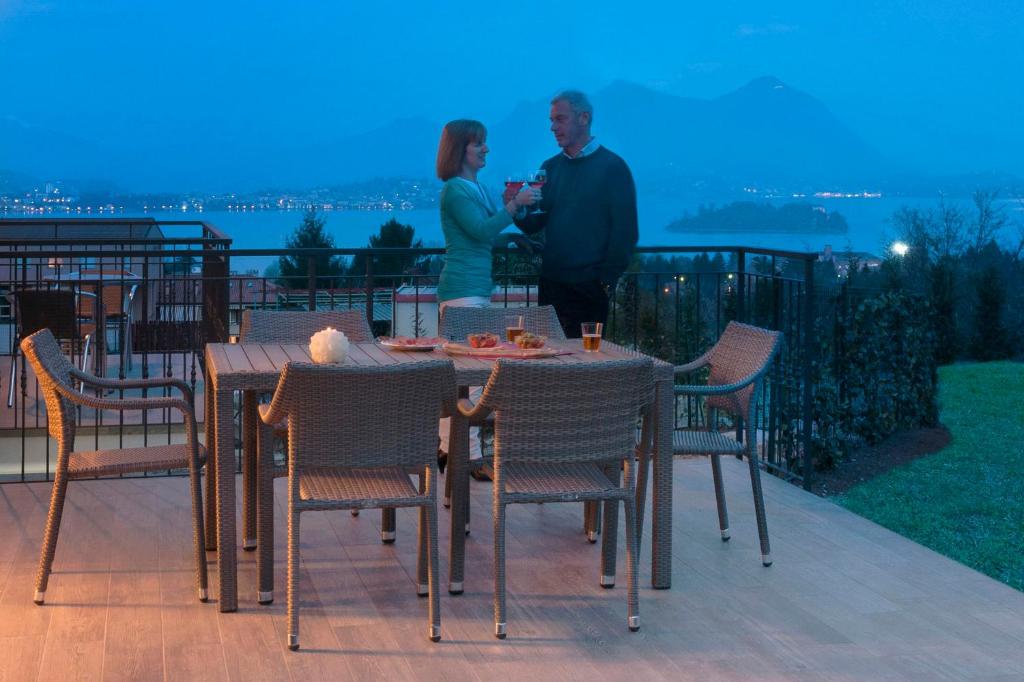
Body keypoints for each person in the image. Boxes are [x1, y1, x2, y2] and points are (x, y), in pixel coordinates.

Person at [434, 119, 539, 467]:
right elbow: (480, 231)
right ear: (460, 149)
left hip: (475, 289)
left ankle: (451, 451)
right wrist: (512, 208)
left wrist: (511, 217)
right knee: (473, 376)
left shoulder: (477, 189)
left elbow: (488, 234)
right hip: (462, 291)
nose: (486, 149)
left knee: (462, 376)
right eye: (479, 143)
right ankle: (471, 457)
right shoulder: (454, 190)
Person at [511, 90, 638, 338]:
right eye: (551, 120)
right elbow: (536, 223)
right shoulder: (550, 168)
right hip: (551, 283)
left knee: (586, 365)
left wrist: (605, 281)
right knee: (549, 359)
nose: (552, 127)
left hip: (589, 287)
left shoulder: (613, 168)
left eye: (560, 119)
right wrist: (518, 209)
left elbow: (626, 231)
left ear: (584, 118)